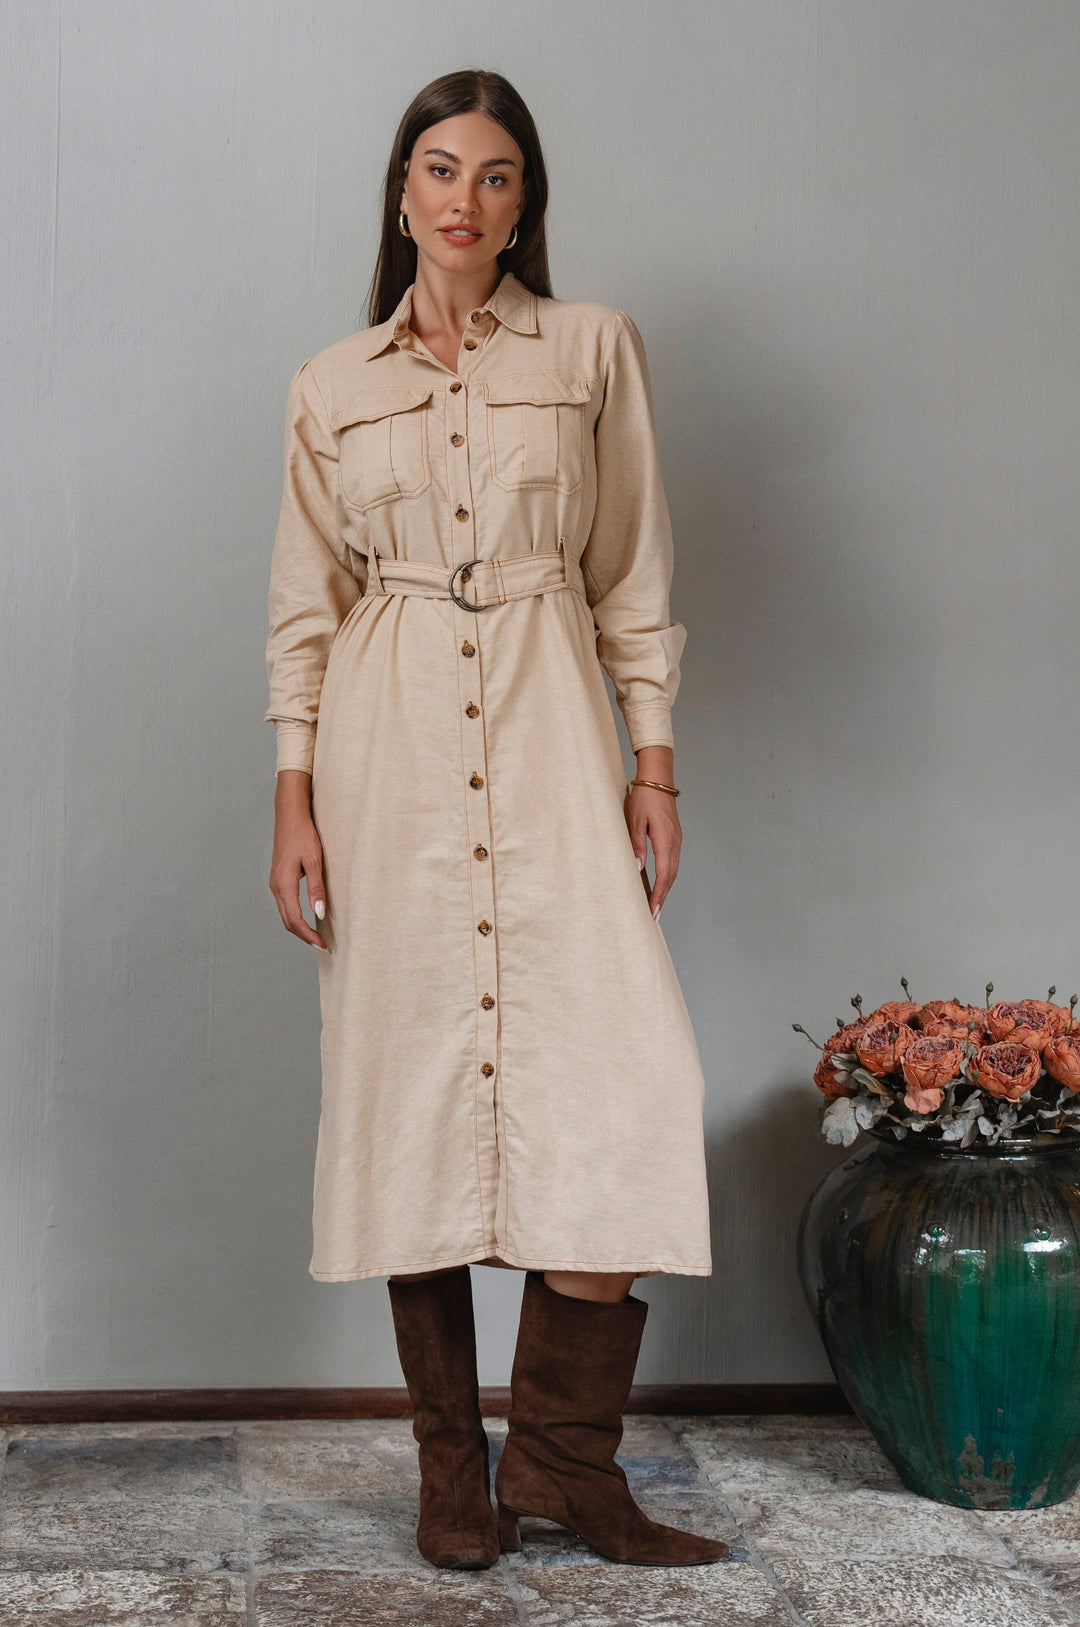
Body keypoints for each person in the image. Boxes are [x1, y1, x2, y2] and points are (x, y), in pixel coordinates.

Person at [264, 69, 725, 1571]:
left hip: (545, 727)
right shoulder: (333, 385)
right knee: (412, 1097)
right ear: (401, 192)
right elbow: (305, 612)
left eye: (501, 176)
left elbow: (632, 574)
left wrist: (650, 765)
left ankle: (567, 1468)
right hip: (384, 757)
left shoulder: (592, 353)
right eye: (441, 169)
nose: (467, 199)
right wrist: (293, 796)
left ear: (527, 205)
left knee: (628, 1078)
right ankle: (453, 1477)